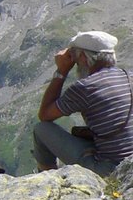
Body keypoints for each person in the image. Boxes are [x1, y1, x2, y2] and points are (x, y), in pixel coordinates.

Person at [35, 30, 133, 176]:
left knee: (41, 129)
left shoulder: (85, 87)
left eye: (74, 56)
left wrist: (61, 71)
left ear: (83, 57)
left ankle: (46, 178)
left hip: (111, 169)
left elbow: (45, 115)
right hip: (130, 164)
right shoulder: (129, 76)